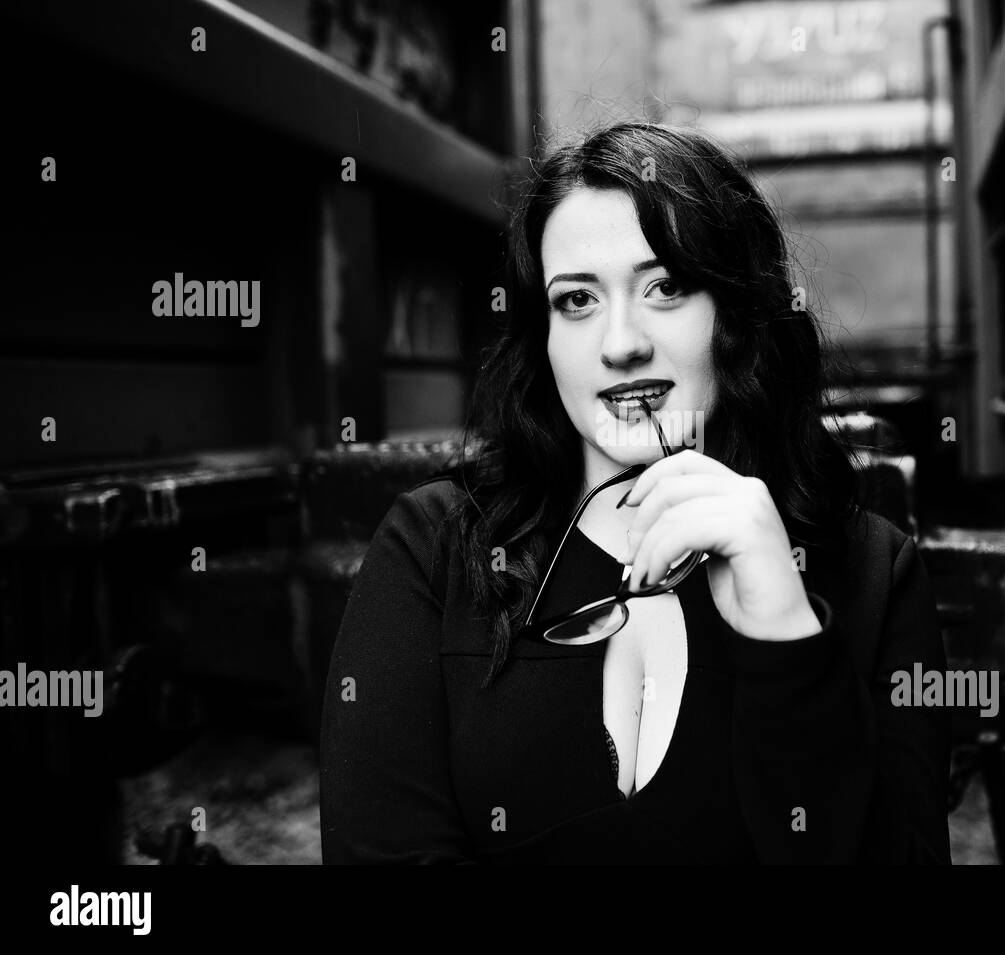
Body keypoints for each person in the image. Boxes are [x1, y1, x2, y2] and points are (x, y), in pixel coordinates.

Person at [318, 121, 951, 864]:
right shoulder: (433, 550)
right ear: (543, 336)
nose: (620, 342)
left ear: (739, 313)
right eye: (576, 300)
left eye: (666, 287)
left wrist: (785, 635)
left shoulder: (875, 572)